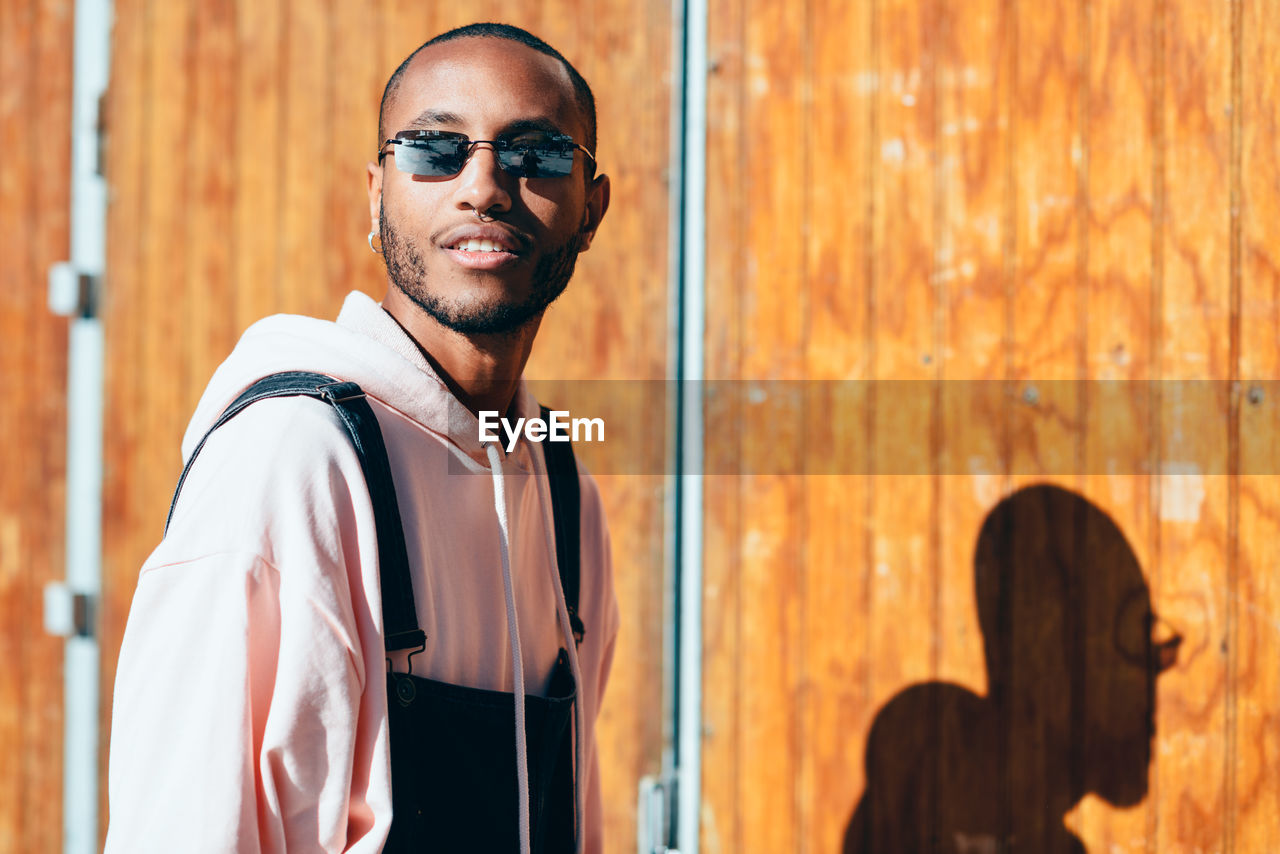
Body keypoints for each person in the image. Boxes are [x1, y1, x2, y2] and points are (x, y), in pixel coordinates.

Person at [105, 22, 617, 854]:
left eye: (537, 154)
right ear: (377, 195)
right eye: (433, 149)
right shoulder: (292, 461)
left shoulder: (562, 493)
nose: (482, 186)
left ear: (591, 208)